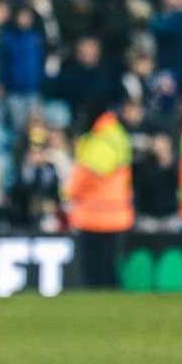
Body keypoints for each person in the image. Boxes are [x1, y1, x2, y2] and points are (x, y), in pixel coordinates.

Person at [66, 106, 133, 288]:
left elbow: (88, 175)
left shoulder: (102, 138)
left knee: (96, 270)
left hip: (97, 216)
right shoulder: (114, 133)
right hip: (114, 215)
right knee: (109, 266)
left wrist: (68, 192)